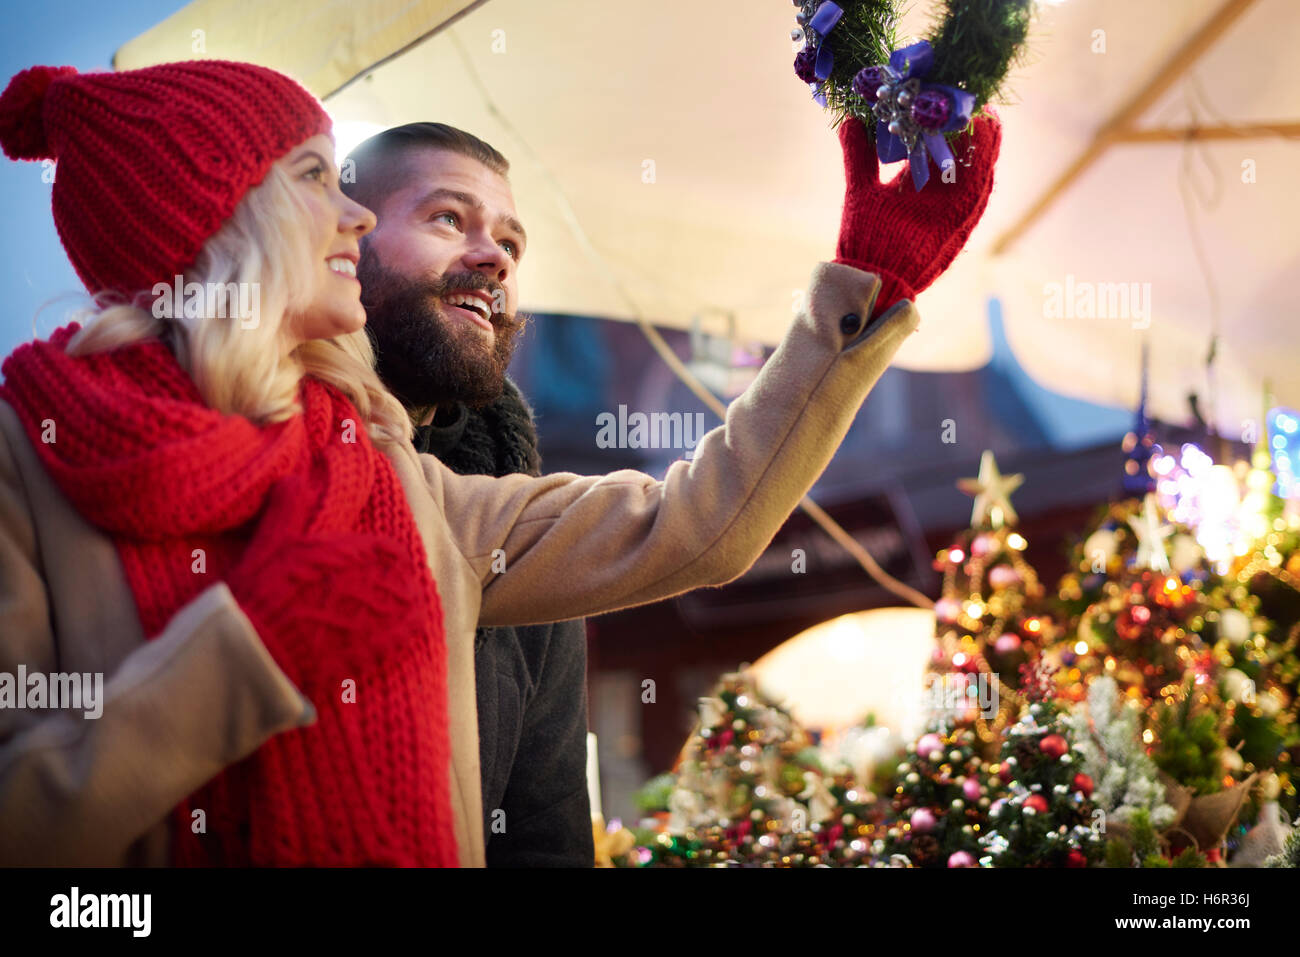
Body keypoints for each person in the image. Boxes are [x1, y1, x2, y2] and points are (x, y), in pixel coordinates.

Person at [0, 59, 997, 867]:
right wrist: (244, 657)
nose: (345, 212)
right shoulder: (24, 467)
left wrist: (866, 288)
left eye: (510, 238)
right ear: (215, 219)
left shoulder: (401, 486)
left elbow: (693, 526)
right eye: (314, 178)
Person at [343, 124, 594, 867]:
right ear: (345, 241)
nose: (494, 260)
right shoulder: (256, 455)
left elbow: (546, 828)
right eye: (449, 218)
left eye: (512, 245)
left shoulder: (517, 525)